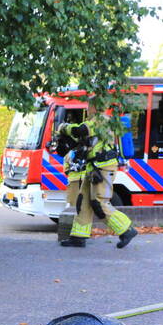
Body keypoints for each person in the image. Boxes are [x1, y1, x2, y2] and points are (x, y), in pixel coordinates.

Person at [55, 104, 138, 249]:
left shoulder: (100, 120)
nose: (87, 109)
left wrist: (63, 127)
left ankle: (126, 230)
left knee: (99, 203)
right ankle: (78, 237)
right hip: (93, 167)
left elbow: (79, 130)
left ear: (94, 107)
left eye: (89, 106)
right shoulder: (96, 121)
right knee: (84, 202)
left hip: (103, 168)